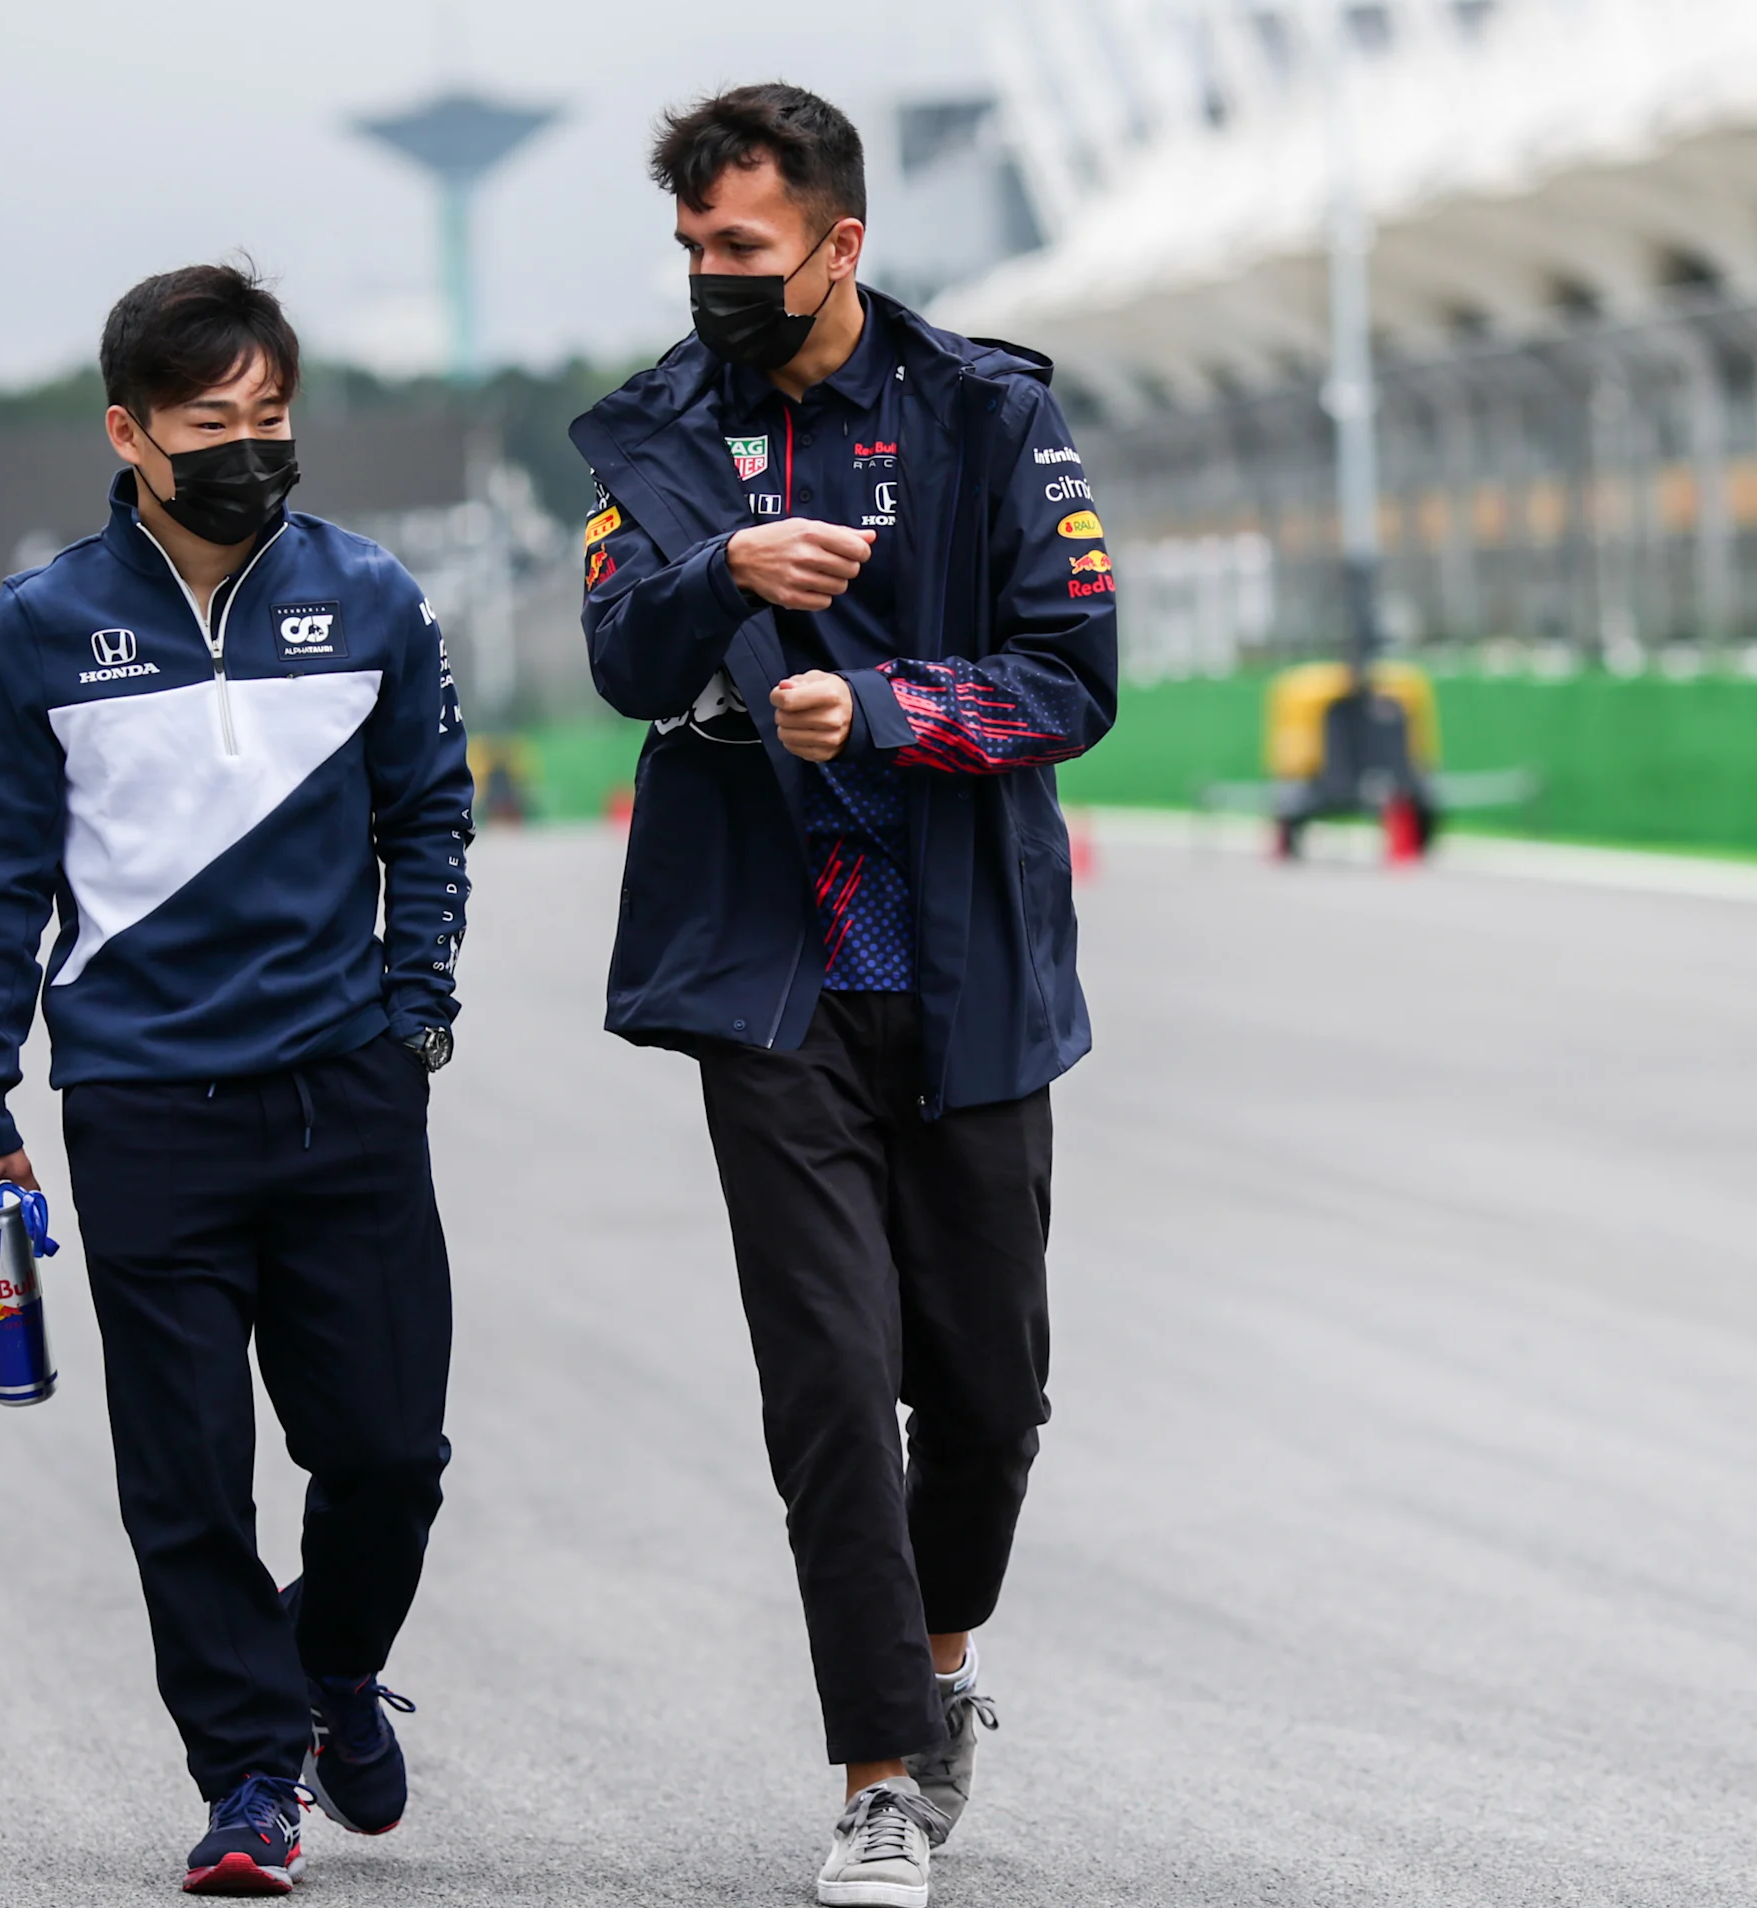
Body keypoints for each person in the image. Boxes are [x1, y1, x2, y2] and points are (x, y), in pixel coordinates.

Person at [570, 83, 1116, 1908]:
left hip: (969, 979)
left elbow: (1074, 678)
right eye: (692, 249)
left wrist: (876, 707)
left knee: (986, 1400)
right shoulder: (656, 434)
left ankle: (942, 1666)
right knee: (826, 1387)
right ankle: (880, 1776)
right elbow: (614, 659)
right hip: (770, 981)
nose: (712, 278)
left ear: (840, 243)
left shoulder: (990, 413)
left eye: (742, 247)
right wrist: (721, 570)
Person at [0, 263, 473, 1898]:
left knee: (389, 1456)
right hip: (145, 1113)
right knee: (185, 1484)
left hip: (346, 1095)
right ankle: (248, 1781)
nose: (250, 447)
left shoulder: (373, 596)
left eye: (271, 416)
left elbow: (430, 813)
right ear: (129, 432)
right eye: (210, 422)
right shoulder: (37, 633)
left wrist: (414, 999)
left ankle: (325, 1673)